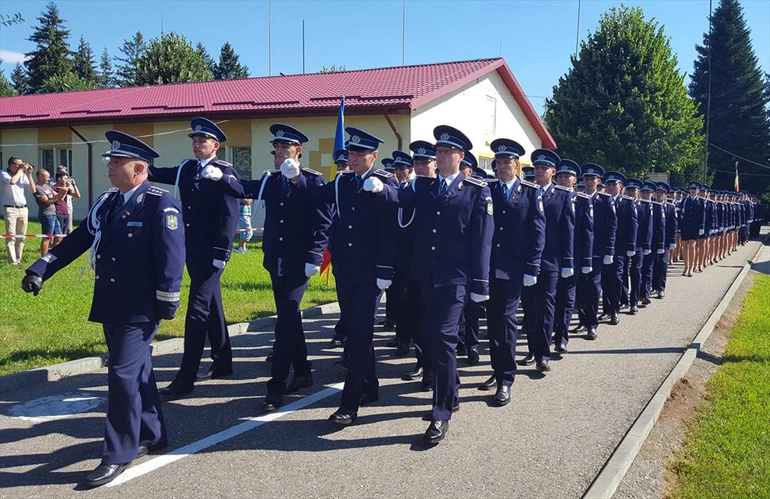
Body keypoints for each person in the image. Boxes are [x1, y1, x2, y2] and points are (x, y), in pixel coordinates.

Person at [22, 131, 185, 488]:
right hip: (111, 301)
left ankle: (118, 453)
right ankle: (153, 434)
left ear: (139, 168)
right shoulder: (109, 202)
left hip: (141, 307)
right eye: (110, 160)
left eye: (117, 162)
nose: (110, 166)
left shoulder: (161, 203)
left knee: (122, 377)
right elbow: (80, 239)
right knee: (137, 372)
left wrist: (167, 301)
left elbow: (172, 257)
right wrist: (41, 268)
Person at [367, 125, 494, 444]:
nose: (439, 156)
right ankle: (451, 393)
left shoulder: (477, 190)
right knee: (432, 337)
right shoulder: (423, 187)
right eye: (437, 151)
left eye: (446, 152)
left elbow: (482, 240)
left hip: (456, 280)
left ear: (460, 156)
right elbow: (398, 196)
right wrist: (379, 186)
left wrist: (481, 281)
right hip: (426, 275)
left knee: (443, 338)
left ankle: (441, 412)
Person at [204, 123, 332, 411]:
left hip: (301, 263)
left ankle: (275, 387)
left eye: (284, 149)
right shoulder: (271, 180)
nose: (278, 154)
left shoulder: (313, 182)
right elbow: (245, 188)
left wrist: (314, 256)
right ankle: (302, 372)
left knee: (285, 319)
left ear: (298, 151)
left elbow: (324, 223)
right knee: (290, 318)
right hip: (276, 259)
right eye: (275, 149)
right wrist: (222, 177)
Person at [150, 117, 240, 397]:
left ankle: (185, 377)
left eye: (203, 140)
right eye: (194, 139)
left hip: (212, 253)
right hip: (191, 249)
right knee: (212, 304)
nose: (197, 143)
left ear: (216, 145)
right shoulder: (187, 169)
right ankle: (223, 361)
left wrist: (222, 252)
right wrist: (136, 164)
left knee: (197, 310)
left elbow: (229, 215)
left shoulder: (225, 171)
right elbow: (159, 174)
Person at [317, 126, 398, 426]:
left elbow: (396, 208)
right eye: (351, 152)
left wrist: (385, 271)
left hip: (370, 274)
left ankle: (348, 404)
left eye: (360, 153)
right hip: (346, 270)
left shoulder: (385, 182)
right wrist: (295, 178)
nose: (353, 157)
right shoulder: (342, 182)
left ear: (374, 156)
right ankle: (370, 386)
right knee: (355, 331)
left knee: (359, 335)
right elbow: (316, 196)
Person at [477, 137, 544, 406]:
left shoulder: (530, 192)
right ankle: (497, 369)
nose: (502, 166)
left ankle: (506, 378)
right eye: (498, 162)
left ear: (517, 165)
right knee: (493, 323)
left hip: (515, 269)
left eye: (507, 162)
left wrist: (532, 266)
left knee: (506, 322)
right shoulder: (486, 189)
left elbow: (537, 233)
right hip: (489, 268)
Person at [519, 149, 574, 374]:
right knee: (529, 309)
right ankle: (532, 349)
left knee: (546, 309)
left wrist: (568, 262)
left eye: (544, 168)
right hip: (527, 261)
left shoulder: (563, 196)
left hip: (551, 262)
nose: (539, 171)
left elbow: (568, 231)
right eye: (537, 168)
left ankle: (544, 354)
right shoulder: (525, 192)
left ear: (553, 171)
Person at [400, 140, 438, 390]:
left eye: (426, 162)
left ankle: (434, 369)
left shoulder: (439, 189)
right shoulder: (407, 187)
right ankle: (422, 361)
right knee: (414, 317)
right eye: (418, 163)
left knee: (433, 319)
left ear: (435, 164)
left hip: (434, 266)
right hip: (409, 264)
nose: (421, 166)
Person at [552, 159, 593, 354]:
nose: (562, 179)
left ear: (574, 180)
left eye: (566, 177)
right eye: (560, 176)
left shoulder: (582, 200)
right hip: (551, 256)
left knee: (567, 298)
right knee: (550, 298)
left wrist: (586, 260)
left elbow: (587, 232)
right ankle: (551, 331)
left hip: (573, 258)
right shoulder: (548, 197)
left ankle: (561, 338)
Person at [574, 163, 615, 341]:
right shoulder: (577, 198)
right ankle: (582, 320)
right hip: (579, 251)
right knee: (579, 288)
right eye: (587, 179)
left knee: (592, 288)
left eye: (592, 179)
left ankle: (592, 325)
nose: (589, 182)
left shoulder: (605, 201)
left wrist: (609, 251)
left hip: (597, 252)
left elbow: (612, 227)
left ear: (599, 181)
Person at [601, 172, 637, 325]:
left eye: (613, 185)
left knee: (616, 279)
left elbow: (633, 226)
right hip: (604, 248)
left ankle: (615, 310)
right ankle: (606, 309)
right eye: (608, 185)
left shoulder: (627, 203)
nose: (610, 187)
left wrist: (631, 246)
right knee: (604, 280)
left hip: (620, 248)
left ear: (620, 187)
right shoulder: (601, 201)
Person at [1, 157, 36, 265]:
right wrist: (21, 170)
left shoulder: (22, 174)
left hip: (23, 208)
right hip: (10, 208)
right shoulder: (3, 173)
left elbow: (33, 189)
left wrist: (29, 174)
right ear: (11, 165)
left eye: (22, 165)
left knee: (21, 236)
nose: (21, 166)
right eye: (18, 165)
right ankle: (12, 261)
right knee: (11, 236)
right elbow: (12, 181)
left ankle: (18, 259)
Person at [33, 169, 67, 256]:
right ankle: (44, 257)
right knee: (47, 237)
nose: (49, 178)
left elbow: (59, 197)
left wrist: (63, 191)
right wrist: (60, 194)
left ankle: (52, 255)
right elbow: (48, 201)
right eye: (47, 177)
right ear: (40, 177)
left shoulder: (48, 186)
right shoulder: (37, 188)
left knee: (59, 237)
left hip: (54, 214)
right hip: (46, 215)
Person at [679, 182, 705, 277]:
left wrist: (701, 227)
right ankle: (686, 267)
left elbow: (702, 215)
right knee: (684, 246)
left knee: (692, 246)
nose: (693, 191)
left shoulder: (701, 201)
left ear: (698, 191)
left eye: (695, 189)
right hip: (685, 226)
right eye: (691, 189)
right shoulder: (685, 200)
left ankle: (691, 268)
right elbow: (680, 210)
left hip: (695, 227)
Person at [53, 171, 81, 235]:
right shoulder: (54, 188)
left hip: (65, 212)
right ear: (59, 179)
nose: (66, 180)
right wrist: (66, 187)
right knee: (58, 233)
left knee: (65, 232)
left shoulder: (65, 188)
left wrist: (74, 185)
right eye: (65, 179)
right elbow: (61, 198)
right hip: (58, 211)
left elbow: (77, 195)